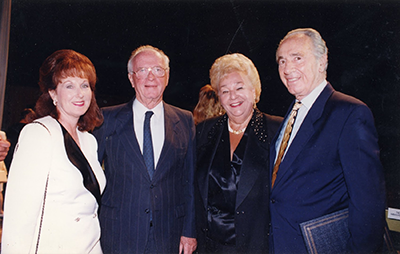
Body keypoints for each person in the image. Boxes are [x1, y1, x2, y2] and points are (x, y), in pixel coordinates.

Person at [269, 28, 386, 253]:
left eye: (297, 58)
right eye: (281, 61)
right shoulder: (292, 114)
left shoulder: (349, 113)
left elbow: (368, 203)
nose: (287, 68)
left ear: (323, 61)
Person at [94, 45, 197, 254]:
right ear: (132, 79)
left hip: (168, 236)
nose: (151, 77)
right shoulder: (106, 120)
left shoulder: (185, 120)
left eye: (158, 70)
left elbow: (190, 181)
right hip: (118, 234)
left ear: (167, 77)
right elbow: (91, 178)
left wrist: (189, 231)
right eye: (142, 71)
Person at [1, 49, 106, 253]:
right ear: (52, 93)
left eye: (85, 85)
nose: (79, 93)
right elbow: (19, 216)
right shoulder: (39, 134)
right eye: (69, 86)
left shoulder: (89, 141)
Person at [195, 53, 283, 253]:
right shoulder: (204, 131)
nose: (232, 96)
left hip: (257, 245)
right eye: (225, 91)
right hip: (210, 246)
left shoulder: (276, 130)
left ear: (254, 91)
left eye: (239, 87)